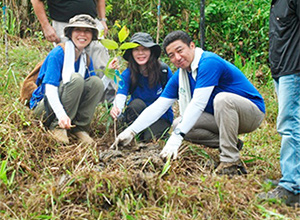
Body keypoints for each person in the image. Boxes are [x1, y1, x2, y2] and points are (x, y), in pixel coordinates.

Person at [112, 30, 265, 176]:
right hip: (220, 117)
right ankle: (230, 143)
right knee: (179, 124)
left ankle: (230, 162)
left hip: (250, 113)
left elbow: (198, 104)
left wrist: (176, 138)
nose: (177, 58)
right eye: (171, 55)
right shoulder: (181, 75)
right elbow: (159, 106)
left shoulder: (208, 63)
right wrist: (131, 131)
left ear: (192, 46)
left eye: (180, 51)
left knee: (222, 99)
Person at [30, 14, 104, 145]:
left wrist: (110, 74)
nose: (82, 34)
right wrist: (61, 115)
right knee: (76, 79)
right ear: (70, 33)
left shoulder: (85, 58)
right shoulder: (58, 53)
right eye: (78, 30)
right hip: (45, 108)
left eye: (87, 31)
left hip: (67, 108)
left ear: (92, 35)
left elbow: (91, 90)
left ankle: (79, 128)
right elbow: (50, 89)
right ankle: (58, 127)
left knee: (96, 82)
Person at [31, 0, 116, 103]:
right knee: (69, 64)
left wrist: (102, 19)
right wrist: (45, 26)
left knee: (101, 58)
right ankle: (69, 104)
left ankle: (111, 103)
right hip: (63, 23)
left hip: (90, 21)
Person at [258, 0, 300, 206]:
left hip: (294, 70)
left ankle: (292, 186)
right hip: (282, 71)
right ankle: (292, 176)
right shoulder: (276, 3)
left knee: (290, 125)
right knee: (292, 125)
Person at [110, 32, 174, 142]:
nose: (140, 53)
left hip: (160, 116)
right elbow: (121, 93)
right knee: (136, 104)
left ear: (151, 51)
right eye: (136, 49)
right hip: (137, 113)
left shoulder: (163, 71)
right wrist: (117, 109)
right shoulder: (128, 73)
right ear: (131, 52)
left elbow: (177, 93)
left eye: (144, 49)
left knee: (149, 139)